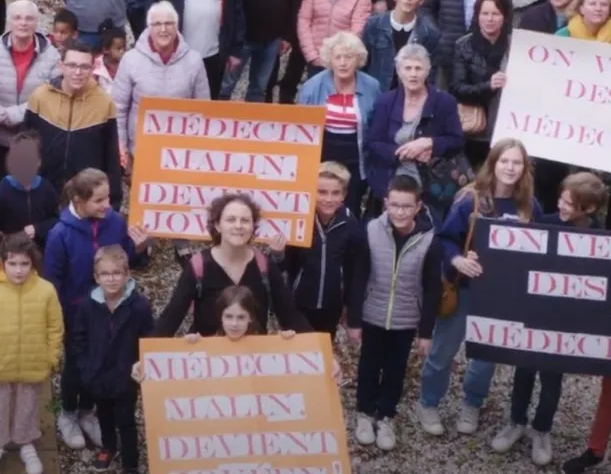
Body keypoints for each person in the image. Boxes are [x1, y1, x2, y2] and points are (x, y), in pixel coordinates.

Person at [416, 138, 542, 438]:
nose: (510, 168)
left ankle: (472, 403)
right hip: (465, 288)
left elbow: (539, 248)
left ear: (524, 169)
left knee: (485, 358)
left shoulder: (529, 205)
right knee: (443, 351)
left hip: (500, 296)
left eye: (516, 163)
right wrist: (457, 260)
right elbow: (445, 239)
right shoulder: (471, 198)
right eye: (505, 161)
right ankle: (428, 402)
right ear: (493, 163)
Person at [492, 172, 605, 467]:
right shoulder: (547, 223)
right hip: (534, 313)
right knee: (524, 370)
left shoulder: (601, 238)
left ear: (589, 209)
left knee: (552, 378)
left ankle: (542, 429)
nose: (562, 206)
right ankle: (516, 421)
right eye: (561, 199)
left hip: (566, 321)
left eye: (569, 203)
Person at [44, 168, 149, 450]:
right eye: (99, 201)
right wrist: (60, 318)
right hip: (76, 314)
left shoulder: (114, 221)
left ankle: (88, 412)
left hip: (113, 309)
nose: (108, 206)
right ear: (79, 200)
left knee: (103, 361)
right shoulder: (60, 235)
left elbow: (128, 259)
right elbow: (52, 283)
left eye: (108, 198)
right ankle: (67, 413)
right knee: (76, 365)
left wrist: (140, 247)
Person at [347, 174, 441, 452]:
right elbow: (358, 277)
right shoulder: (369, 231)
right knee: (368, 365)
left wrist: (426, 332)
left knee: (395, 369)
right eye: (395, 205)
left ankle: (386, 415)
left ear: (418, 207)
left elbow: (432, 288)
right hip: (372, 314)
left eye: (406, 206)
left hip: (405, 318)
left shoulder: (429, 241)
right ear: (386, 202)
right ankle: (364, 412)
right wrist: (354, 320)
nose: (400, 212)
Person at [111, 0, 209, 257]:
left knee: (181, 191)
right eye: (157, 24)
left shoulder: (194, 61)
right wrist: (122, 148)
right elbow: (118, 108)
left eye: (169, 23)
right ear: (147, 27)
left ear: (177, 26)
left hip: (182, 147)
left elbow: (204, 108)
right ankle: (145, 241)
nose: (163, 29)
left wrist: (201, 147)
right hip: (142, 144)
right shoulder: (131, 60)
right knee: (145, 193)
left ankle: (181, 239)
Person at [0, 233, 63, 474]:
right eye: (12, 263)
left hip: (34, 363)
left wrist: (50, 357)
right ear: (1, 262)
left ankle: (25, 441)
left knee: (28, 405)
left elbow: (55, 327)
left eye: (24, 264)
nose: (19, 270)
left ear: (33, 263)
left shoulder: (47, 291)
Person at [157, 192, 310, 336]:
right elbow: (171, 317)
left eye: (245, 220)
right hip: (207, 357)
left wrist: (322, 353)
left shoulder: (265, 266)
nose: (238, 226)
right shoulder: (198, 266)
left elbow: (290, 315)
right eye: (231, 220)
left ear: (252, 227)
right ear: (217, 225)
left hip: (253, 356)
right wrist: (143, 357)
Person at [73, 245, 154, 474]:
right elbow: (79, 338)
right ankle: (108, 447)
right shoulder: (88, 306)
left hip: (125, 376)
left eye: (117, 273)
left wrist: (140, 365)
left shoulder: (138, 306)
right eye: (105, 274)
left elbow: (148, 337)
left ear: (127, 274)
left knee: (126, 421)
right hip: (97, 375)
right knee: (104, 415)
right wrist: (85, 368)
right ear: (96, 277)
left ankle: (130, 462)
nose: (111, 279)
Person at [364, 45, 465, 223]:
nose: (413, 74)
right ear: (399, 71)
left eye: (418, 68)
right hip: (391, 181)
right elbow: (373, 142)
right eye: (408, 68)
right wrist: (402, 152)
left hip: (432, 184)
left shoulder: (444, 102)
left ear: (427, 71)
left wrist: (429, 143)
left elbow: (456, 140)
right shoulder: (385, 101)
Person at [26, 39, 122, 205]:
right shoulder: (40, 97)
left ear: (93, 69)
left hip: (85, 199)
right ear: (61, 66)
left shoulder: (104, 103)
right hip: (43, 194)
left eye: (84, 67)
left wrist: (112, 202)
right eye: (72, 65)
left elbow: (111, 159)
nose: (78, 72)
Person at [0, 0, 61, 187]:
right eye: (17, 18)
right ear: (9, 22)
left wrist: (14, 115)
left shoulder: (52, 56)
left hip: (34, 139)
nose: (23, 23)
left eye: (29, 18)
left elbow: (52, 95)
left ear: (36, 23)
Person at [299, 32, 381, 216]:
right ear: (330, 59)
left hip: (356, 160)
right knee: (318, 208)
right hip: (322, 158)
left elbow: (377, 126)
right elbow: (302, 127)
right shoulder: (312, 87)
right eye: (338, 57)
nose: (343, 63)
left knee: (349, 211)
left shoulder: (372, 86)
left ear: (358, 59)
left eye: (348, 57)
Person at [275, 162, 362, 334]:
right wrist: (278, 254)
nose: (328, 199)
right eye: (322, 192)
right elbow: (284, 266)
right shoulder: (299, 220)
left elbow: (354, 272)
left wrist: (352, 312)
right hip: (298, 304)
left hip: (331, 306)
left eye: (335, 193)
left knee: (323, 353)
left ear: (344, 195)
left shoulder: (351, 224)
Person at [449, 0, 512, 152]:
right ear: (477, 15)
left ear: (504, 17)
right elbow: (457, 88)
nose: (490, 19)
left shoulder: (516, 45)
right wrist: (488, 85)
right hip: (476, 126)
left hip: (509, 125)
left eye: (496, 14)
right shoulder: (463, 45)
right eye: (485, 13)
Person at [0, 131, 60, 254]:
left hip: (40, 254)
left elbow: (56, 219)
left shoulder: (46, 189)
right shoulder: (1, 193)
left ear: (38, 162)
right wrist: (8, 241)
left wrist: (37, 229)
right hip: (10, 256)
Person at [362, 0, 440, 91]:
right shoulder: (374, 25)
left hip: (409, 96)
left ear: (421, 0)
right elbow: (363, 63)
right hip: (376, 93)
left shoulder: (429, 33)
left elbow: (429, 75)